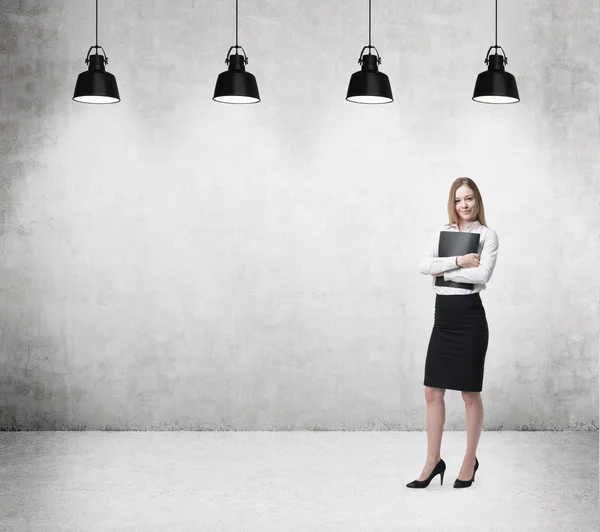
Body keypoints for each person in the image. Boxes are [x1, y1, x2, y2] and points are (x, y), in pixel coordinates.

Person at [406, 177, 499, 489]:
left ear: (477, 201)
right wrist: (458, 261)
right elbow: (422, 266)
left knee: (469, 394)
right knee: (432, 391)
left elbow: (482, 274)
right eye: (459, 200)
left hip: (470, 319)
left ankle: (469, 460)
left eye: (470, 198)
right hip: (443, 319)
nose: (465, 205)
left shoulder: (488, 236)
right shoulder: (441, 232)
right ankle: (433, 461)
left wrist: (442, 268)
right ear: (453, 203)